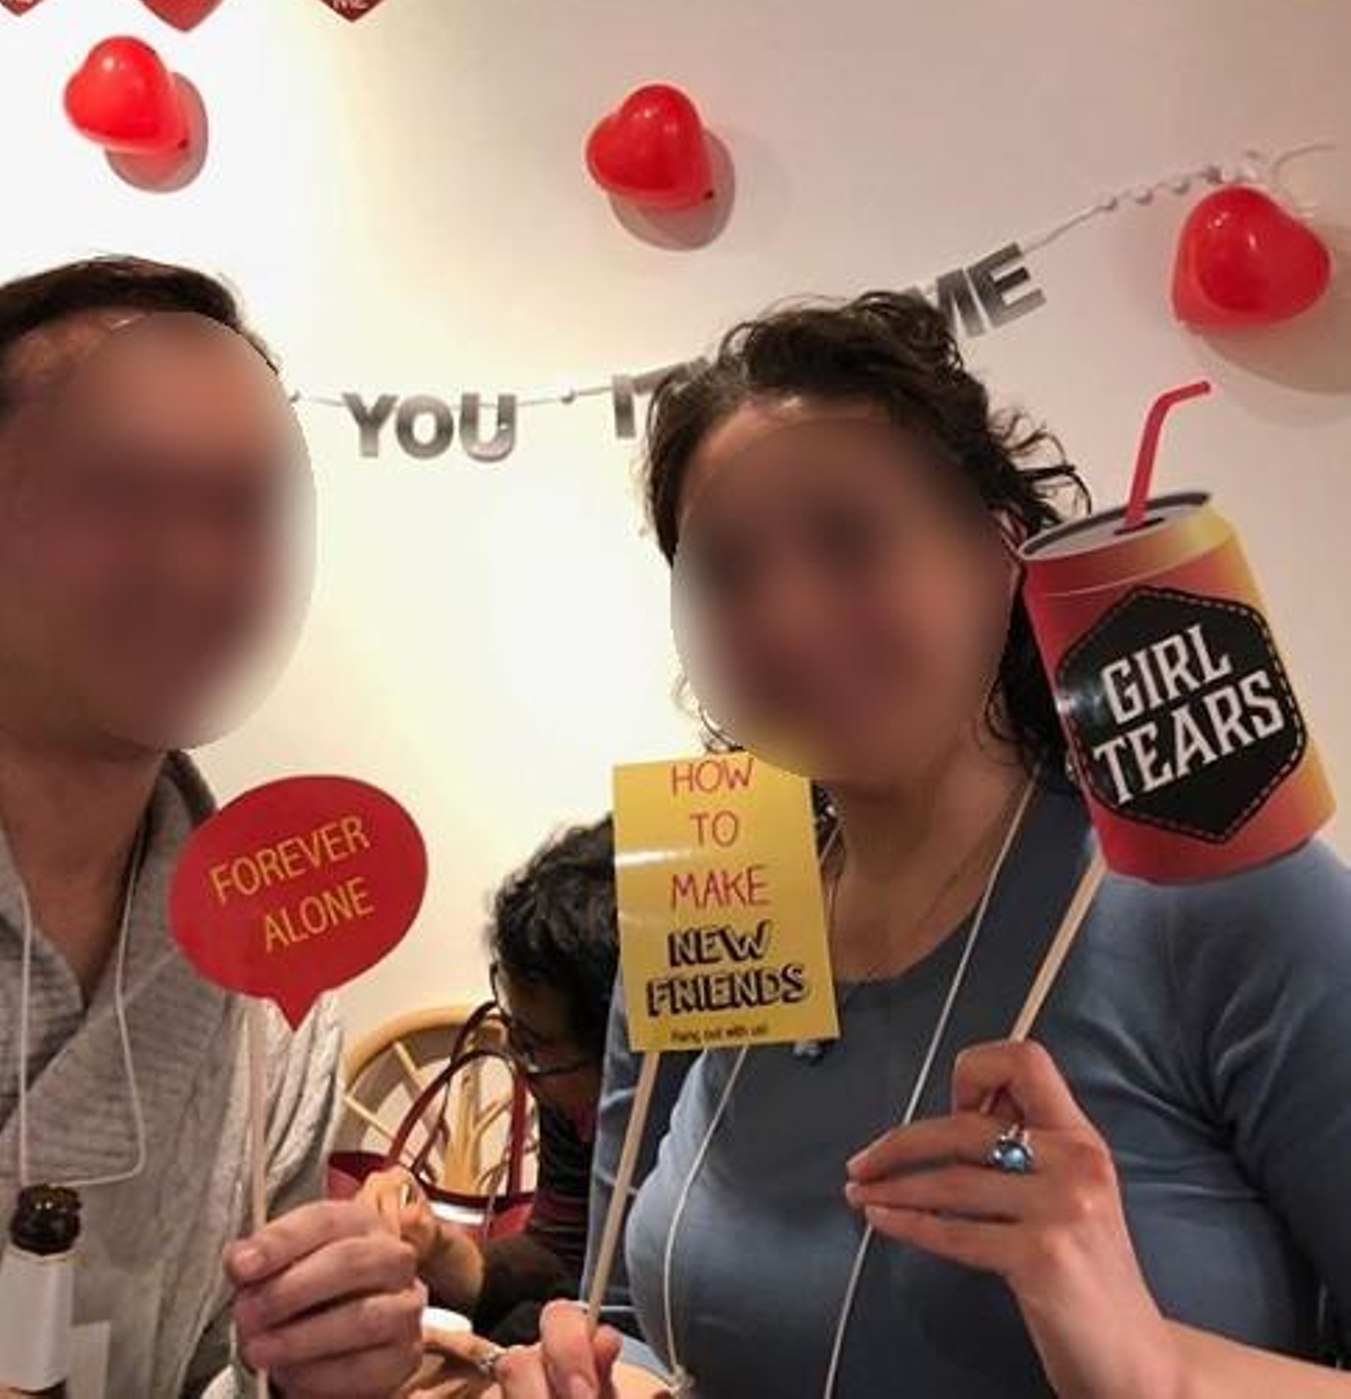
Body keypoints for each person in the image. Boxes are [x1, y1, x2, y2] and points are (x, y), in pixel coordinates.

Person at [493, 291, 1351, 1398]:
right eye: (728, 570)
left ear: (999, 557)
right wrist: (587, 1372)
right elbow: (628, 1319)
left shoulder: (1214, 894)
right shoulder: (709, 893)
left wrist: (1157, 1369)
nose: (787, 617)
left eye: (849, 538)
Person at [0, 258, 424, 1396]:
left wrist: (320, 1363)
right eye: (115, 492)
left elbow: (219, 1369)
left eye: (240, 509)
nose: (192, 565)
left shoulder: (270, 970)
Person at [372, 820, 621, 1356]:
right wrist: (439, 1247)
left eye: (537, 1045)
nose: (517, 1057)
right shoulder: (571, 1096)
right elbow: (562, 1256)